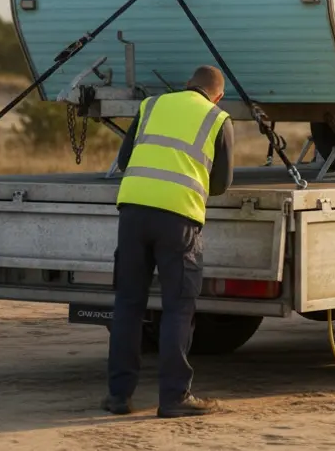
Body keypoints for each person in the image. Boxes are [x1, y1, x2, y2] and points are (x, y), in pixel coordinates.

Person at [101, 65, 236, 418]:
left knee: (128, 305)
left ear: (186, 85)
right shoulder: (218, 118)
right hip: (178, 218)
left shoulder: (151, 105)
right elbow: (221, 183)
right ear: (217, 95)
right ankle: (174, 397)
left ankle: (118, 396)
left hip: (132, 212)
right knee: (178, 307)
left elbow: (126, 159)